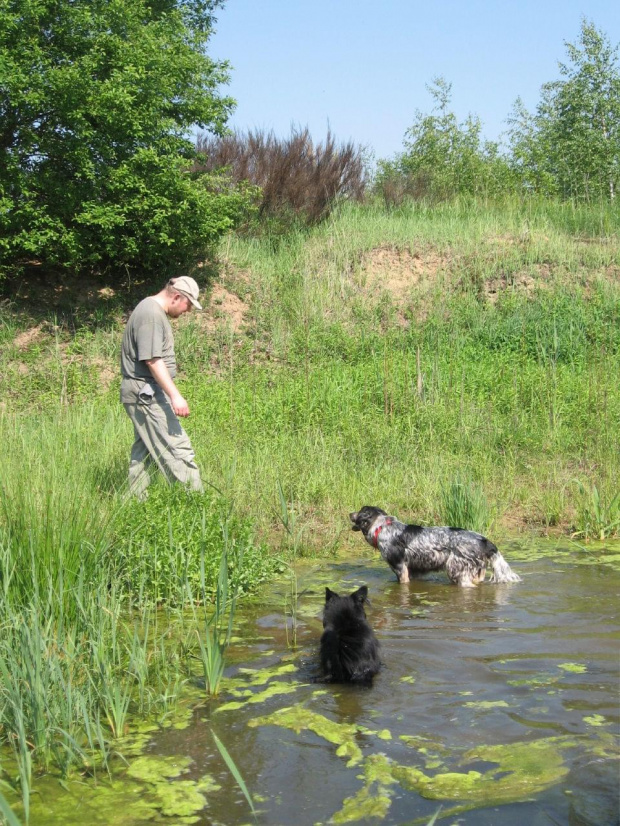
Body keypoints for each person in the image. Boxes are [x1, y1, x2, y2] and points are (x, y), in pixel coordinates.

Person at [120, 276, 203, 498]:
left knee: (144, 451)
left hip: (142, 392)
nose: (188, 311)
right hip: (145, 392)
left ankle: (135, 503)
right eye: (188, 305)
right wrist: (175, 396)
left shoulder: (150, 311)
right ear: (177, 297)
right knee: (177, 447)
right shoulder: (152, 316)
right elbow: (153, 360)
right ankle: (196, 505)